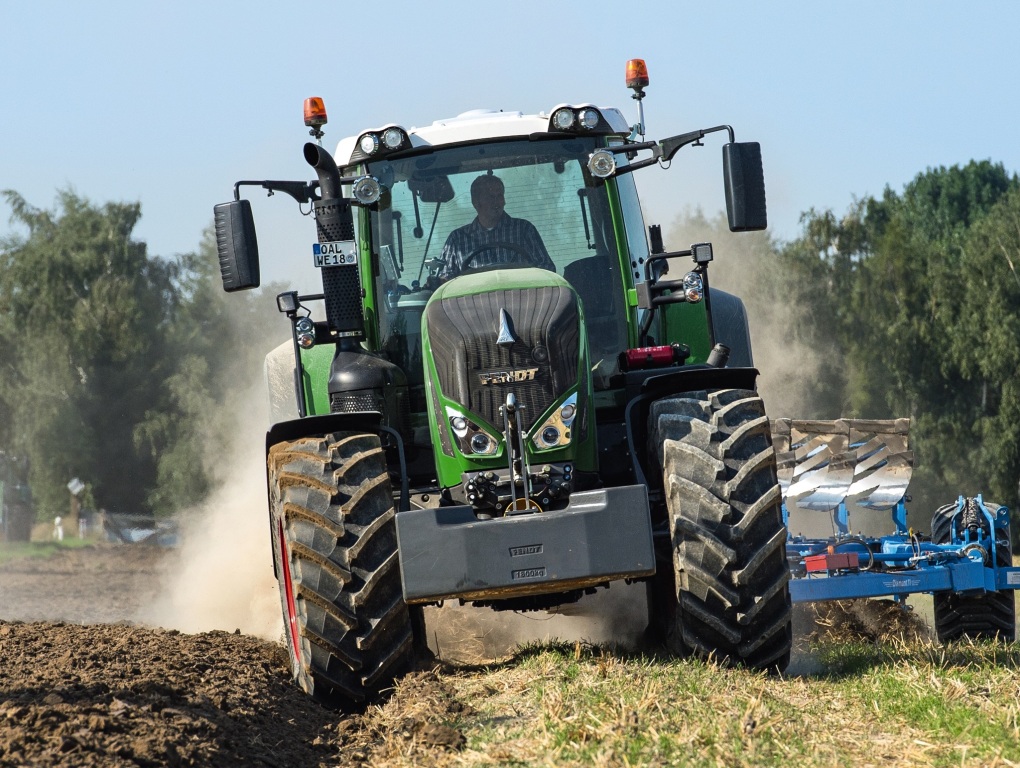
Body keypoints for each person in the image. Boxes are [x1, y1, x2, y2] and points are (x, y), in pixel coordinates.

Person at [436, 173, 554, 280]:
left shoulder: (524, 230)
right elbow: (445, 280)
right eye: (491, 197)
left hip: (520, 301)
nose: (496, 202)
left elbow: (547, 269)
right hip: (474, 303)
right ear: (476, 202)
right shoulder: (457, 239)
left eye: (500, 196)